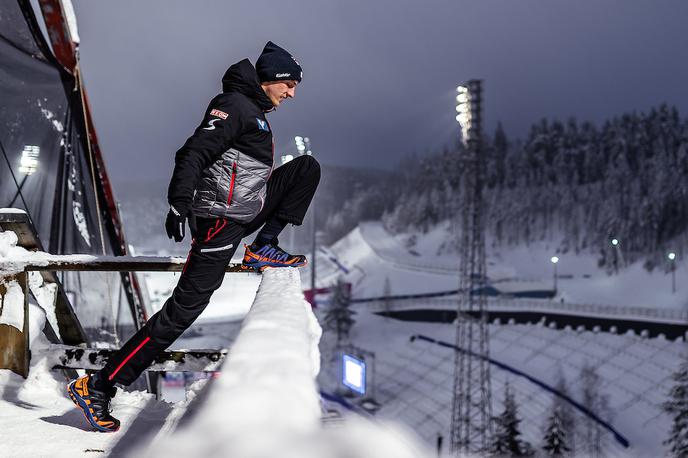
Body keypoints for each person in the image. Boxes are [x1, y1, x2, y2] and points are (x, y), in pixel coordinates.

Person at [66, 42, 320, 432]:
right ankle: (99, 384)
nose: (292, 93)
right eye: (289, 84)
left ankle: (263, 246)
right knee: (182, 313)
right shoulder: (234, 105)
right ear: (270, 79)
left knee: (305, 168)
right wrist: (178, 203)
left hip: (243, 212)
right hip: (220, 221)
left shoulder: (254, 111)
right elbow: (193, 153)